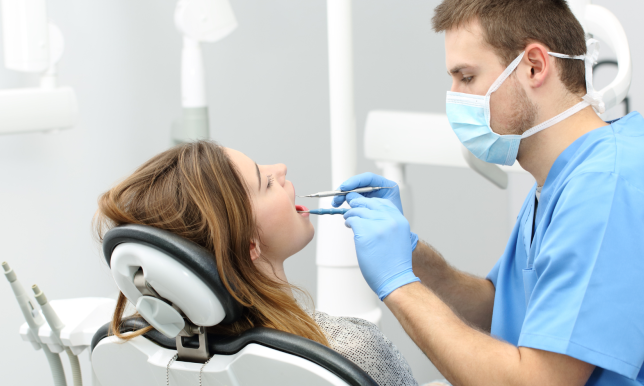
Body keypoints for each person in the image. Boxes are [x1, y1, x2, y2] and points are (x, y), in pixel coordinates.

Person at [333, 0, 644, 385]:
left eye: (466, 78)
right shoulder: (563, 179)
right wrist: (410, 253)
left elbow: (539, 381)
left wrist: (400, 286)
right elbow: (502, 308)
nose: (455, 98)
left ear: (534, 66)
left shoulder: (608, 188)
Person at [93, 141, 427, 386]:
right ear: (251, 242)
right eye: (265, 182)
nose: (280, 168)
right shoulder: (351, 353)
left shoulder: (140, 353)